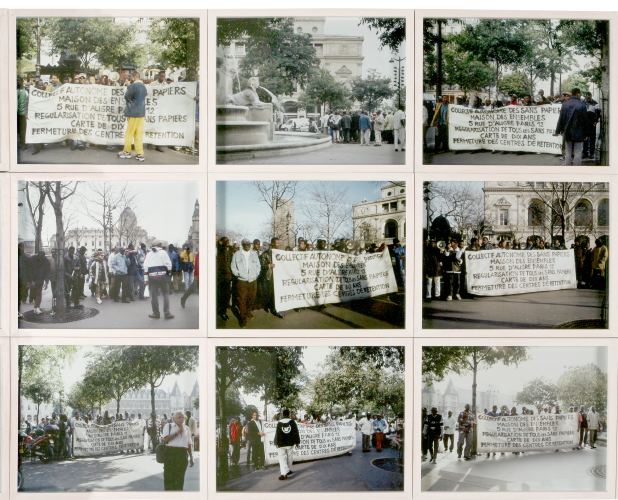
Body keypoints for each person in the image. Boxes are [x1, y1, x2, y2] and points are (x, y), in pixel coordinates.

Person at [230, 238, 261, 328]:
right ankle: (243, 319)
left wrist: (256, 274)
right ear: (242, 245)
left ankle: (248, 312)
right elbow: (233, 266)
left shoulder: (254, 254)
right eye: (246, 245)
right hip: (242, 281)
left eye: (249, 244)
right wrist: (238, 274)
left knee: (251, 297)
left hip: (252, 280)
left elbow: (258, 265)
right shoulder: (237, 254)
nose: (248, 246)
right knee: (242, 300)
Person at [554, 87, 588, 166]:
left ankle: (568, 168)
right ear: (578, 94)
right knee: (578, 153)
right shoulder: (582, 105)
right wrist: (586, 133)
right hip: (579, 133)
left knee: (568, 152)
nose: (581, 95)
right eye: (580, 94)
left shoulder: (565, 105)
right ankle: (576, 169)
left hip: (567, 132)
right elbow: (585, 120)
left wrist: (557, 131)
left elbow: (561, 119)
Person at [118, 71, 147, 161]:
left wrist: (128, 87)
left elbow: (127, 96)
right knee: (139, 133)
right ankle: (140, 153)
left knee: (130, 132)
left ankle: (127, 151)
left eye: (131, 77)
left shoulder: (134, 85)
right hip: (141, 113)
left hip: (133, 112)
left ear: (134, 77)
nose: (130, 79)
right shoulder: (143, 86)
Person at [161, 411, 194, 491]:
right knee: (169, 479)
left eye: (182, 417)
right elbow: (165, 439)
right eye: (179, 417)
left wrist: (191, 458)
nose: (181, 419)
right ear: (173, 418)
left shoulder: (187, 428)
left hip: (183, 454)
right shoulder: (168, 426)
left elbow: (189, 443)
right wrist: (177, 433)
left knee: (180, 478)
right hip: (171, 453)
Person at [144, 240, 174, 319]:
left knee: (154, 296)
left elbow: (145, 267)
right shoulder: (164, 252)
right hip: (163, 277)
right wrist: (169, 274)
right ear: (160, 245)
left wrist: (146, 279)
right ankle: (167, 313)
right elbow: (169, 264)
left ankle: (156, 313)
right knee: (166, 295)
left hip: (153, 278)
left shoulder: (149, 253)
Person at [259, 237, 284, 318]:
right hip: (269, 277)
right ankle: (269, 306)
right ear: (272, 243)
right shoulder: (265, 254)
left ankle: (275, 309)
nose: (278, 244)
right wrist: (269, 265)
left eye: (278, 243)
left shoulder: (280, 253)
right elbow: (261, 265)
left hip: (278, 277)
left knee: (276, 294)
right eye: (277, 243)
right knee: (269, 294)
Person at [274, 409, 300, 480]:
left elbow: (277, 433)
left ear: (283, 414)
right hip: (290, 443)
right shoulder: (292, 422)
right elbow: (296, 432)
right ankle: (288, 470)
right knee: (290, 457)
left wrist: (276, 442)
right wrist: (297, 442)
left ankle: (283, 473)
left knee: (282, 458)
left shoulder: (279, 423)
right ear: (288, 414)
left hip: (281, 444)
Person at [28, 251, 51, 315]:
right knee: (33, 292)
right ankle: (36, 306)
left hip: (40, 280)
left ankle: (37, 307)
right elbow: (28, 269)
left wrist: (46, 282)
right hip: (33, 278)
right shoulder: (32, 259)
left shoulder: (46, 261)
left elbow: (48, 271)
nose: (41, 259)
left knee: (38, 293)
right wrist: (31, 280)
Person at [217, 237, 233, 321]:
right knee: (222, 294)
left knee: (227, 293)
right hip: (221, 277)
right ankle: (222, 311)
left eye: (228, 240)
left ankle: (224, 308)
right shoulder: (220, 250)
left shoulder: (229, 251)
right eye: (225, 241)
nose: (227, 242)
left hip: (228, 276)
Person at [583, 91, 600, 159]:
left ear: (591, 96)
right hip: (585, 123)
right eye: (587, 97)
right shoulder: (583, 103)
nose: (588, 98)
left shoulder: (595, 103)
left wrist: (596, 121)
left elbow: (598, 113)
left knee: (592, 139)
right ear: (585, 96)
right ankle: (585, 153)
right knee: (585, 138)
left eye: (589, 97)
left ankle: (591, 153)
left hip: (592, 123)